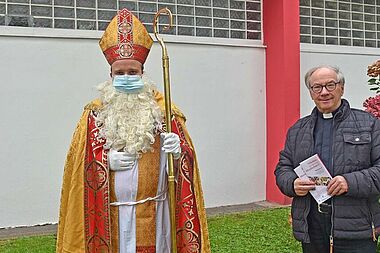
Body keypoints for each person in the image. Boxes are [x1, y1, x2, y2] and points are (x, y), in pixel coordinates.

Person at [56, 8, 210, 253]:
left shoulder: (165, 112)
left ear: (143, 73)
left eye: (132, 72)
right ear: (110, 75)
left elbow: (188, 168)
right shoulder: (93, 115)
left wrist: (179, 150)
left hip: (157, 214)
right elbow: (76, 171)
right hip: (110, 218)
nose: (126, 77)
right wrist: (105, 161)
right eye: (120, 73)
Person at [275, 65, 380, 253]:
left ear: (342, 88)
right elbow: (283, 168)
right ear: (311, 93)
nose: (324, 92)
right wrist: (292, 184)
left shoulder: (369, 124)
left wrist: (349, 182)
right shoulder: (298, 130)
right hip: (312, 225)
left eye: (330, 85)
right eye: (317, 87)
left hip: (355, 226)